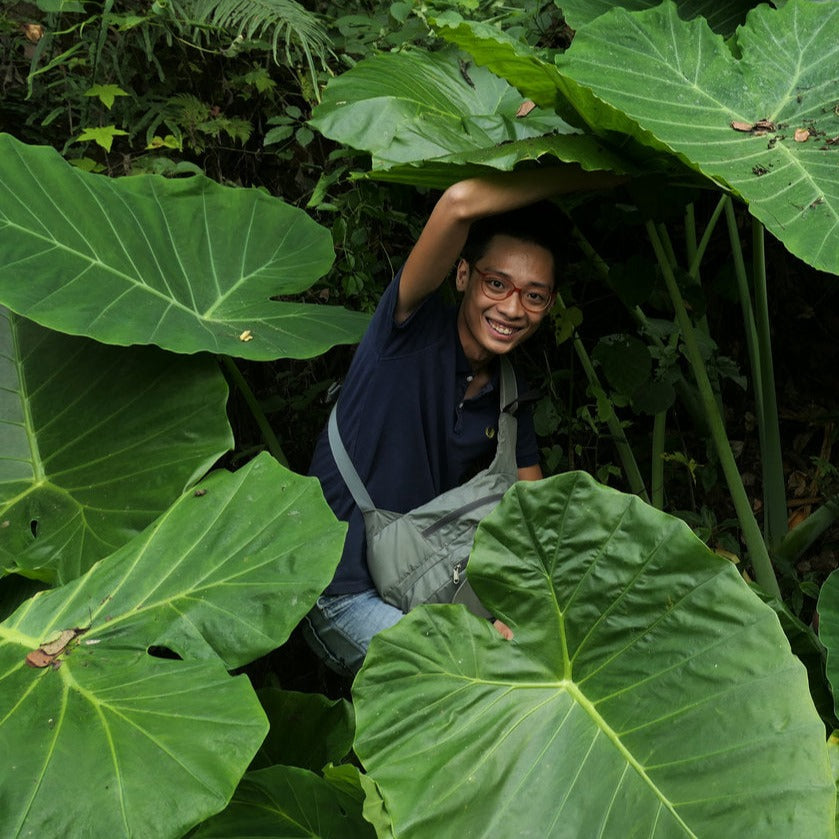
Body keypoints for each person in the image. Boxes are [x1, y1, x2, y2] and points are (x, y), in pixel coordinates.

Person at [303, 165, 623, 675]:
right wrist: (586, 175)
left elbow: (538, 526)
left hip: (425, 591)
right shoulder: (403, 338)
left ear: (549, 306)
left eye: (533, 296)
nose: (512, 308)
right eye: (497, 284)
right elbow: (457, 202)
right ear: (462, 275)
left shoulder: (510, 397)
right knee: (478, 675)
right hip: (343, 595)